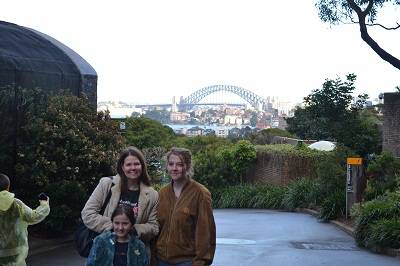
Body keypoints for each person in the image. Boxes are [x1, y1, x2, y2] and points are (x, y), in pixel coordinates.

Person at [82, 146, 159, 258]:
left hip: (134, 254)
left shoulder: (152, 194)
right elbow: (88, 213)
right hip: (105, 250)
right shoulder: (107, 184)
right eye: (128, 164)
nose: (133, 168)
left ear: (142, 166)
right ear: (122, 167)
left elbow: (154, 226)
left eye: (136, 164)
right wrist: (116, 226)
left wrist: (134, 229)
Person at [155, 148, 216, 266]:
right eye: (171, 164)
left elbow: (206, 232)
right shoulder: (162, 193)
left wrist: (201, 262)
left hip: (187, 261)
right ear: (167, 166)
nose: (174, 168)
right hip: (161, 260)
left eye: (179, 164)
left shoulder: (200, 193)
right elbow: (157, 227)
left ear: (187, 166)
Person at [0, 173, 50, 266]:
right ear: (8, 187)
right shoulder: (17, 204)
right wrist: (44, 204)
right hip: (17, 259)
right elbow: (34, 217)